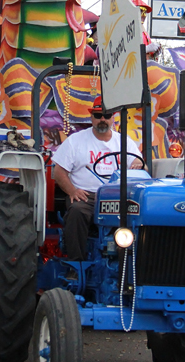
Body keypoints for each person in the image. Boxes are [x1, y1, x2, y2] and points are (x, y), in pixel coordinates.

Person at [51, 97, 142, 261]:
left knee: (141, 214)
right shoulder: (75, 141)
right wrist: (73, 191)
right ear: (91, 117)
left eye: (107, 115)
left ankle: (134, 262)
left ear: (112, 118)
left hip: (116, 196)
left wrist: (138, 165)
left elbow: (140, 164)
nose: (102, 119)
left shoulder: (124, 142)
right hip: (87, 196)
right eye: (98, 115)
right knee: (77, 211)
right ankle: (76, 263)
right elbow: (59, 172)